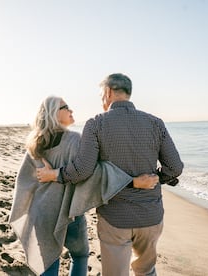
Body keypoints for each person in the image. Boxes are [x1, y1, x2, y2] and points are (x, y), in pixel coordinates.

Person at [36, 73, 184, 276]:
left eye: (100, 95)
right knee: (147, 271)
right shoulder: (155, 123)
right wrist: (157, 178)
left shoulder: (96, 123)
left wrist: (56, 174)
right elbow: (175, 167)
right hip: (151, 215)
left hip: (115, 218)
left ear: (107, 92)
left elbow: (82, 170)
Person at [9, 96, 158, 276]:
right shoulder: (74, 140)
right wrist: (133, 181)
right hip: (69, 212)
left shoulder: (35, 143)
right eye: (66, 107)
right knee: (79, 255)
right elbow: (95, 173)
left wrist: (45, 182)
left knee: (48, 261)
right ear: (53, 113)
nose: (71, 110)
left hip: (42, 213)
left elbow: (25, 179)